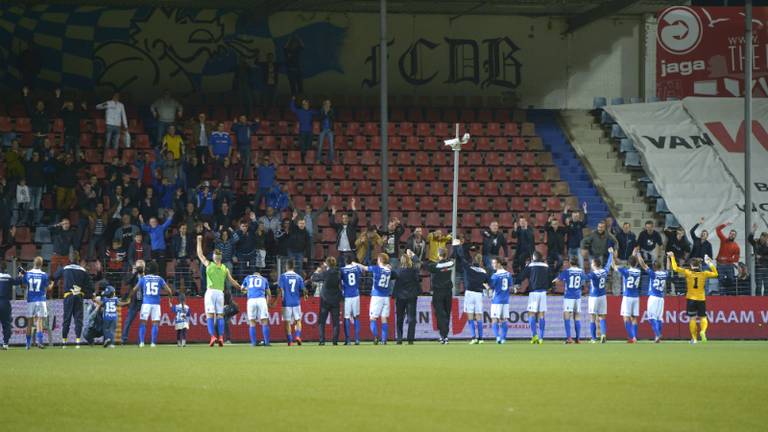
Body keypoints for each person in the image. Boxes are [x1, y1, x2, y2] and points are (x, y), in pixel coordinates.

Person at [197, 235, 242, 347]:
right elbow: (232, 282)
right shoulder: (224, 268)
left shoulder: (209, 265)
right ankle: (221, 337)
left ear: (213, 257)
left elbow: (200, 254)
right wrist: (241, 288)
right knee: (220, 316)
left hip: (210, 292)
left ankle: (213, 337)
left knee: (210, 316)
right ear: (220, 258)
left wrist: (199, 241)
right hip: (220, 294)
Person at [668, 252, 718, 343]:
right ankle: (703, 331)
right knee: (703, 317)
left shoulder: (688, 272)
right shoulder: (704, 273)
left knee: (692, 318)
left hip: (691, 298)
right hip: (701, 298)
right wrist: (710, 263)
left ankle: (694, 339)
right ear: (699, 265)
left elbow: (675, 268)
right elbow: (715, 274)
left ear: (691, 265)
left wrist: (672, 257)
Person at [53, 252, 94, 348]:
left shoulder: (65, 268)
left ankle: (64, 342)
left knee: (67, 319)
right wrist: (84, 291)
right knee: (78, 319)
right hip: (79, 296)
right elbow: (91, 287)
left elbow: (55, 276)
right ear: (78, 259)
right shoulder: (83, 270)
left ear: (70, 259)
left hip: (68, 295)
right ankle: (78, 342)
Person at [352, 253, 393, 345]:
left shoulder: (376, 268)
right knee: (384, 318)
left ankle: (376, 336)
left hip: (377, 296)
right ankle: (384, 340)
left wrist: (355, 264)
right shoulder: (389, 270)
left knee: (372, 318)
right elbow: (388, 268)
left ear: (380, 260)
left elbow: (365, 268)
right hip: (386, 297)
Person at [452, 238, 488, 344]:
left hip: (470, 293)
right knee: (479, 315)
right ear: (481, 261)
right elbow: (487, 282)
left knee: (470, 315)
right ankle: (481, 338)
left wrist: (457, 247)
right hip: (479, 294)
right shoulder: (483, 271)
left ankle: (474, 337)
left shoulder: (469, 268)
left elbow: (461, 258)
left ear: (473, 260)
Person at [130, 261, 173, 347]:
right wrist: (170, 300)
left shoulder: (144, 278)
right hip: (156, 304)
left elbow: (134, 289)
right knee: (155, 324)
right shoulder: (159, 279)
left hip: (146, 304)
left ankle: (142, 343)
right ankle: (153, 343)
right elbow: (169, 291)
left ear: (148, 269)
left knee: (143, 323)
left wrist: (129, 298)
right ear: (157, 269)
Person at [518, 251, 550, 344]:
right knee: (541, 314)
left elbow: (522, 276)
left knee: (531, 314)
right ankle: (541, 337)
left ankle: (534, 335)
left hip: (534, 293)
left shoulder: (531, 266)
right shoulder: (546, 266)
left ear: (533, 258)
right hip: (543, 292)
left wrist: (517, 282)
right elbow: (551, 278)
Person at [637, 253, 669, 343]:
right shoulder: (664, 274)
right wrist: (669, 259)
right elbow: (668, 269)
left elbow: (643, 265)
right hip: (661, 298)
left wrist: (639, 255)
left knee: (651, 318)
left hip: (653, 298)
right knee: (659, 318)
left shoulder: (653, 274)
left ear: (654, 267)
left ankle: (658, 334)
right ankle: (657, 337)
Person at [311, 257, 343, 345]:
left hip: (325, 300)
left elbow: (314, 278)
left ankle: (322, 341)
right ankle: (335, 341)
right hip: (335, 300)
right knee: (336, 322)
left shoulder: (325, 273)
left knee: (321, 321)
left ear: (327, 264)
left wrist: (317, 271)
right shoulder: (339, 273)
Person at [424, 248, 454, 344]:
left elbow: (424, 265)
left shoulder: (436, 266)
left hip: (438, 293)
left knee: (440, 315)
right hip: (448, 292)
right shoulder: (450, 263)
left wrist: (413, 256)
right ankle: (445, 336)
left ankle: (443, 336)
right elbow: (454, 257)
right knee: (447, 313)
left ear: (438, 255)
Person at [611, 252, 642, 343]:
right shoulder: (638, 271)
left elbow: (614, 266)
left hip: (627, 296)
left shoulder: (626, 271)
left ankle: (631, 337)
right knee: (634, 318)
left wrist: (611, 255)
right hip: (636, 296)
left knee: (626, 317)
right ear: (636, 263)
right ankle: (635, 337)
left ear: (628, 263)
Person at [21, 257, 50, 349]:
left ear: (33, 263)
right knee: (39, 320)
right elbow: (47, 288)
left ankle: (28, 344)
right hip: (41, 299)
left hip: (31, 300)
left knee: (29, 322)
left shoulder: (28, 273)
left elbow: (23, 286)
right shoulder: (44, 275)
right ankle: (40, 342)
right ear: (41, 264)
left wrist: (22, 276)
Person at [393, 251, 420, 345]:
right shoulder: (414, 270)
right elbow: (418, 265)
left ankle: (399, 338)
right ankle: (410, 339)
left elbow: (391, 276)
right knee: (411, 318)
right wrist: (414, 255)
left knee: (399, 318)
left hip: (400, 297)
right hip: (411, 296)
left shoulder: (398, 270)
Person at [278, 259, 306, 346]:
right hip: (296, 302)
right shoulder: (298, 277)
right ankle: (297, 336)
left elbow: (280, 289)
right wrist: (305, 295)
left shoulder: (283, 276)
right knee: (298, 320)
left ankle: (290, 341)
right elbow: (304, 289)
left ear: (286, 266)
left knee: (287, 322)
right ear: (293, 267)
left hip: (286, 303)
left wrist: (276, 300)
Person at [586, 250, 613, 343]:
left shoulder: (593, 274)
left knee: (592, 317)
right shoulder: (604, 271)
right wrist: (611, 254)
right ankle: (603, 334)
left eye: (592, 263)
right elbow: (609, 263)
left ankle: (593, 338)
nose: (591, 264)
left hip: (594, 297)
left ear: (594, 265)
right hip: (602, 296)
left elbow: (584, 278)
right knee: (602, 317)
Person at [557, 257, 585, 344]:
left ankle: (569, 338)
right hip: (578, 296)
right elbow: (583, 282)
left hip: (569, 296)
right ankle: (578, 339)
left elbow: (558, 280)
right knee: (577, 316)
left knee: (566, 316)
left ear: (570, 263)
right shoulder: (581, 271)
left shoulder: (567, 271)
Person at [486, 257, 513, 344]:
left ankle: (498, 337)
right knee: (504, 319)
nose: (492, 265)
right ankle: (503, 338)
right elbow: (511, 287)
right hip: (505, 300)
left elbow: (491, 287)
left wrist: (485, 285)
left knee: (494, 319)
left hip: (497, 300)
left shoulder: (495, 276)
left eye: (494, 263)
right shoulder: (508, 274)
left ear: (499, 264)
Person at [139, 210, 174, 278]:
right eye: (151, 222)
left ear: (157, 222)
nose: (153, 223)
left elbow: (168, 223)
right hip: (154, 251)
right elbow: (143, 228)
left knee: (162, 267)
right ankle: (154, 279)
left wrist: (170, 216)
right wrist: (142, 221)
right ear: (149, 223)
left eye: (154, 221)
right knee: (154, 266)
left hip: (162, 251)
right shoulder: (150, 229)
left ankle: (163, 282)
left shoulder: (161, 227)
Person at [241, 270, 271, 346]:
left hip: (251, 300)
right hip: (261, 299)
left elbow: (242, 289)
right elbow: (269, 294)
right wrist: (267, 304)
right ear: (259, 275)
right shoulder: (264, 279)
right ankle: (267, 343)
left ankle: (253, 343)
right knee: (264, 321)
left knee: (252, 322)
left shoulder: (248, 278)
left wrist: (247, 291)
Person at [121, 260, 145, 345]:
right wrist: (134, 273)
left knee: (142, 322)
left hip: (143, 302)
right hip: (134, 302)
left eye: (141, 266)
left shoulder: (146, 276)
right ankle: (124, 339)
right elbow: (126, 282)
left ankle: (140, 341)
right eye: (138, 266)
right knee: (128, 321)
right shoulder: (133, 276)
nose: (139, 268)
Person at [340, 257, 362, 345]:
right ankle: (357, 339)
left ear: (345, 261)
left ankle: (348, 340)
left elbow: (340, 280)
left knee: (347, 317)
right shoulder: (356, 268)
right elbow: (361, 272)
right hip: (356, 294)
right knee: (356, 317)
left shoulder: (342, 270)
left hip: (347, 295)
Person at [330, 199, 358, 264]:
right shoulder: (339, 226)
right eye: (343, 218)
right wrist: (333, 212)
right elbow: (331, 223)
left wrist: (353, 206)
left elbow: (356, 218)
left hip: (350, 251)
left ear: (348, 219)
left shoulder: (351, 226)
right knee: (341, 267)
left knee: (351, 266)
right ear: (341, 219)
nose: (345, 219)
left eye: (346, 218)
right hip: (341, 251)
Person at [0, 269, 22, 350]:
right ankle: (5, 344)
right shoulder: (9, 278)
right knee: (6, 324)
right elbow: (18, 281)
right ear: (6, 270)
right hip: (5, 303)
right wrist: (20, 274)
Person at [715, 222, 740, 293]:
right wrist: (725, 224)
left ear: (735, 236)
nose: (732, 235)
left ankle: (728, 294)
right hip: (720, 265)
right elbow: (717, 229)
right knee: (720, 280)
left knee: (731, 279)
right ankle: (722, 295)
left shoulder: (736, 246)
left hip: (729, 265)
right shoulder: (724, 240)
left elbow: (736, 259)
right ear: (729, 234)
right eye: (731, 233)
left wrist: (727, 259)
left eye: (733, 234)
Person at [289, 96, 316, 163]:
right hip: (302, 131)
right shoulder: (299, 111)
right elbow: (293, 109)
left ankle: (308, 158)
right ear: (302, 105)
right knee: (302, 145)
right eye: (304, 104)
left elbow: (319, 113)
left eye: (307, 104)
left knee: (309, 145)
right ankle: (302, 159)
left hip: (309, 131)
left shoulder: (311, 111)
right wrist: (292, 100)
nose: (306, 105)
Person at [748, 224, 768, 295]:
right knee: (758, 286)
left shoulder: (767, 245)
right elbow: (749, 239)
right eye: (762, 238)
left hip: (766, 268)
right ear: (760, 237)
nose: (763, 240)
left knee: (766, 286)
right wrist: (754, 230)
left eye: (765, 239)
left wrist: (761, 257)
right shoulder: (756, 242)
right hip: (758, 268)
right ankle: (758, 302)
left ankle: (765, 302)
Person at [317, 99, 335, 164]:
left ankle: (332, 159)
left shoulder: (332, 111)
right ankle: (318, 159)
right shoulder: (321, 110)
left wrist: (328, 113)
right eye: (327, 103)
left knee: (331, 145)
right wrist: (325, 113)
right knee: (320, 145)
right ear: (324, 104)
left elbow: (333, 118)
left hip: (330, 130)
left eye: (329, 103)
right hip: (322, 129)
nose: (328, 104)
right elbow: (319, 118)